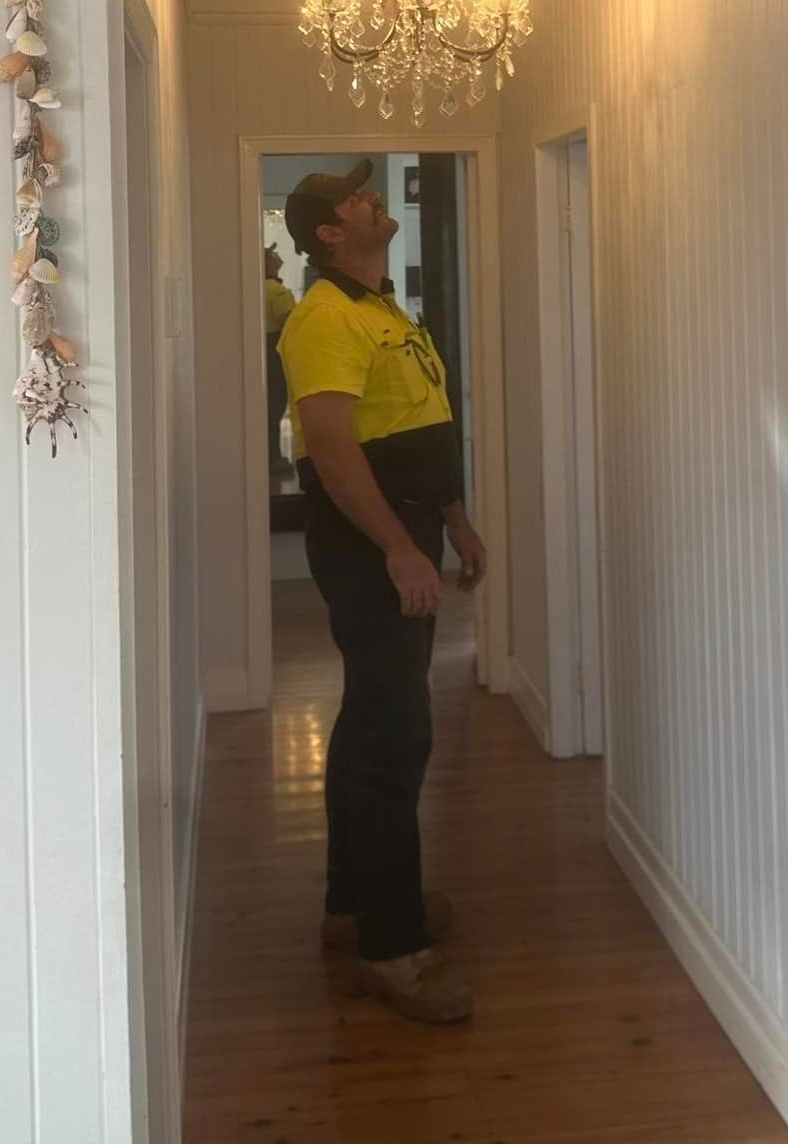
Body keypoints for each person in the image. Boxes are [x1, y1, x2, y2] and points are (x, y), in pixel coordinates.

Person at [277, 159, 486, 1024]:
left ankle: (350, 906)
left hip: (406, 529)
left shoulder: (378, 307)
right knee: (397, 733)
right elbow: (330, 447)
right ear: (329, 233)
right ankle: (392, 948)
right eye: (355, 197)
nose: (371, 198)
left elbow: (416, 424)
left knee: (371, 720)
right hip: (370, 546)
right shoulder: (322, 317)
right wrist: (402, 549)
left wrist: (457, 520)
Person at [264, 244, 295, 473]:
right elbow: (291, 326)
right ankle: (274, 457)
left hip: (261, 348)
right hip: (275, 351)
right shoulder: (277, 292)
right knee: (275, 405)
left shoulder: (256, 288)